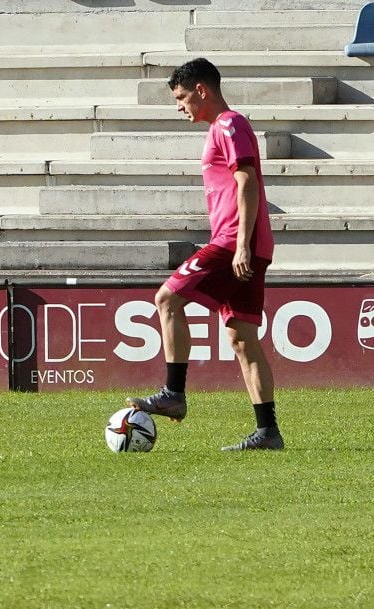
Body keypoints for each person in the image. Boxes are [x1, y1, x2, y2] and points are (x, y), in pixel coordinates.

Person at [126, 58, 284, 452]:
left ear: (202, 90)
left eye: (181, 97)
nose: (180, 106)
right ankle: (268, 432)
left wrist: (242, 243)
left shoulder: (229, 124)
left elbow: (246, 180)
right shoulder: (223, 127)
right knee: (242, 338)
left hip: (234, 242)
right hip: (245, 242)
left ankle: (173, 393)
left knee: (167, 298)